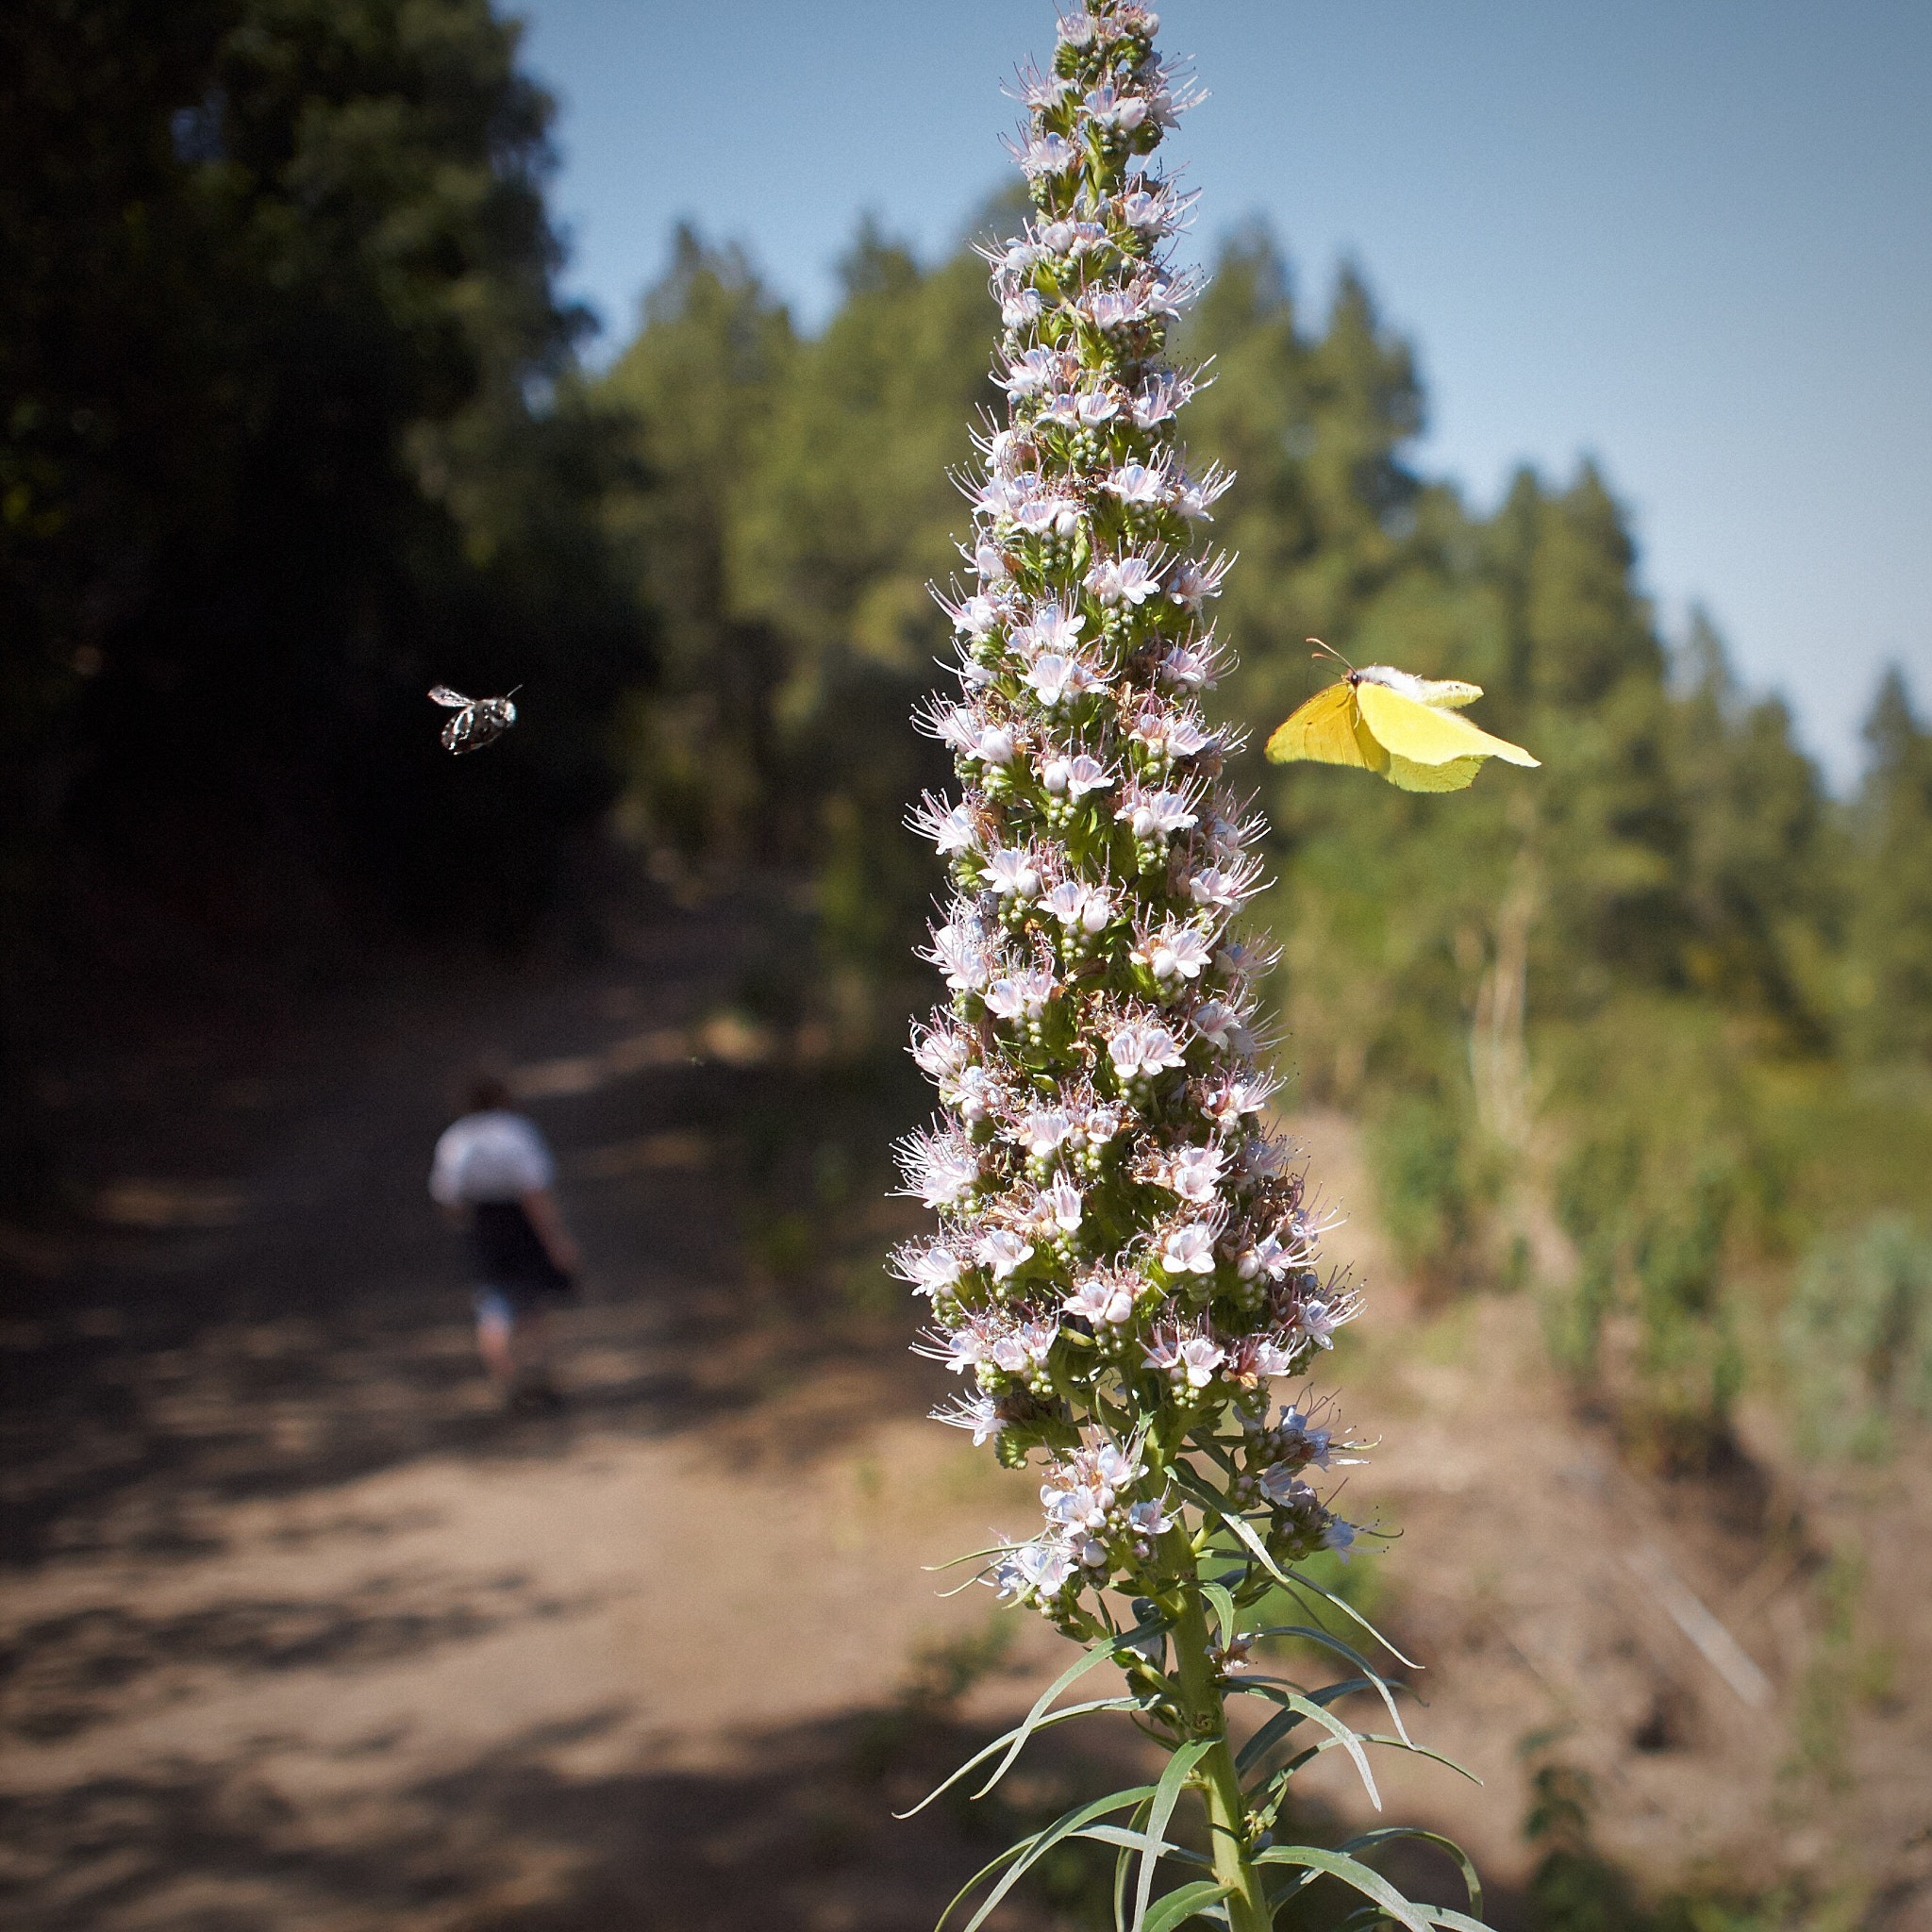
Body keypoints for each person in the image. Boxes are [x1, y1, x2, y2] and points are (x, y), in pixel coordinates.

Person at [430, 1074, 580, 1410]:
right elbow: (535, 1192)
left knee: (493, 1308)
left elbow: (449, 1199)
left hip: (482, 1228)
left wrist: (467, 1236)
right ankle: (538, 1379)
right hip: (520, 1223)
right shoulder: (515, 1131)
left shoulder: (456, 1139)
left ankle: (508, 1382)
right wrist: (557, 1238)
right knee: (531, 1306)